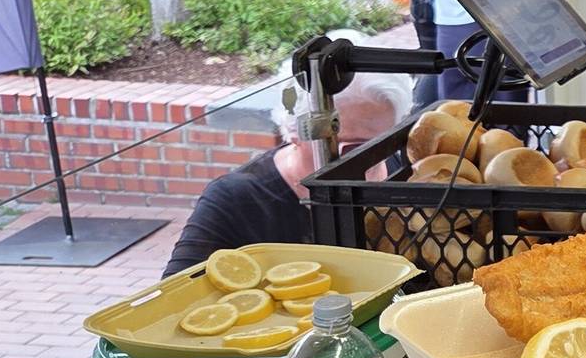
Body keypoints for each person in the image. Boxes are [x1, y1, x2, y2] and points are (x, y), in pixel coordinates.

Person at [165, 59, 412, 274]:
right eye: (352, 149)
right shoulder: (238, 199)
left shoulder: (408, 171)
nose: (369, 161)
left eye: (383, 145)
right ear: (294, 130)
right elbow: (175, 297)